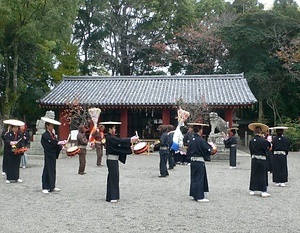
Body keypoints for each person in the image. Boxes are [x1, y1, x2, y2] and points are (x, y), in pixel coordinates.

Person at [102, 121, 139, 203]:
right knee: (113, 177)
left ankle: (110, 196)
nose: (115, 130)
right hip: (111, 159)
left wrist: (130, 147)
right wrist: (130, 140)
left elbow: (118, 143)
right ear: (110, 129)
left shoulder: (110, 137)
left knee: (112, 177)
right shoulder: (110, 138)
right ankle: (113, 197)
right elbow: (119, 142)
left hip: (113, 160)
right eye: (114, 128)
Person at [188, 123, 213, 202]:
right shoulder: (200, 140)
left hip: (192, 161)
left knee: (194, 178)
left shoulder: (192, 139)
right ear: (200, 130)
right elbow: (208, 149)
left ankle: (194, 194)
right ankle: (199, 196)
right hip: (199, 161)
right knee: (199, 178)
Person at [41, 117, 66, 194]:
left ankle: (52, 186)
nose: (52, 127)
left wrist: (61, 147)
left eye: (52, 126)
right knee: (47, 169)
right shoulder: (45, 135)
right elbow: (50, 143)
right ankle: (45, 186)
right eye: (51, 126)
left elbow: (55, 142)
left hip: (52, 155)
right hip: (48, 154)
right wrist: (58, 143)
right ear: (47, 126)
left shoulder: (52, 135)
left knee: (52, 170)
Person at [248, 123, 271, 197]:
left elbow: (251, 150)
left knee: (254, 174)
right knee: (262, 174)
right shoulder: (263, 141)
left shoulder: (252, 141)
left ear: (254, 131)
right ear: (260, 132)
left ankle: (252, 190)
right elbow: (267, 149)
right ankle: (263, 190)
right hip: (262, 159)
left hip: (254, 158)